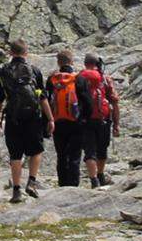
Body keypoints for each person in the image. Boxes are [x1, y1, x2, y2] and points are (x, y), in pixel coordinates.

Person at [0, 41, 50, 203]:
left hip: (13, 117)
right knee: (36, 150)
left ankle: (16, 190)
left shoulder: (3, 72)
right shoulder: (34, 71)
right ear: (26, 52)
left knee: (15, 154)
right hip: (33, 116)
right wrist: (50, 118)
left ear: (10, 52)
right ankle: (32, 181)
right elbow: (42, 96)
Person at [46, 50, 86, 188]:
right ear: (72, 61)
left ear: (58, 62)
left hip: (57, 121)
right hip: (76, 122)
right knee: (75, 155)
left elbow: (45, 99)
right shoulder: (78, 78)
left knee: (61, 154)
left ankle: (62, 183)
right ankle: (73, 184)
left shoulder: (52, 80)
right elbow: (86, 100)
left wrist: (47, 120)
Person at [79, 53, 120, 188]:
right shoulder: (105, 79)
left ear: (85, 64)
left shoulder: (79, 77)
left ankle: (93, 180)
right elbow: (114, 101)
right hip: (103, 119)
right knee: (102, 149)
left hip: (85, 119)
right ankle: (101, 175)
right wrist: (117, 124)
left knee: (89, 152)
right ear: (98, 64)